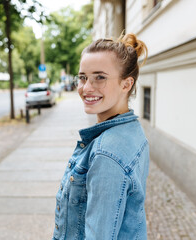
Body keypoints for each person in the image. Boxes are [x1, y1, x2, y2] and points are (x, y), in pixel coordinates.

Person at [52, 33, 150, 240]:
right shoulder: (132, 129)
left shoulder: (107, 153)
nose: (86, 88)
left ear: (126, 84)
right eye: (83, 77)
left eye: (100, 77)